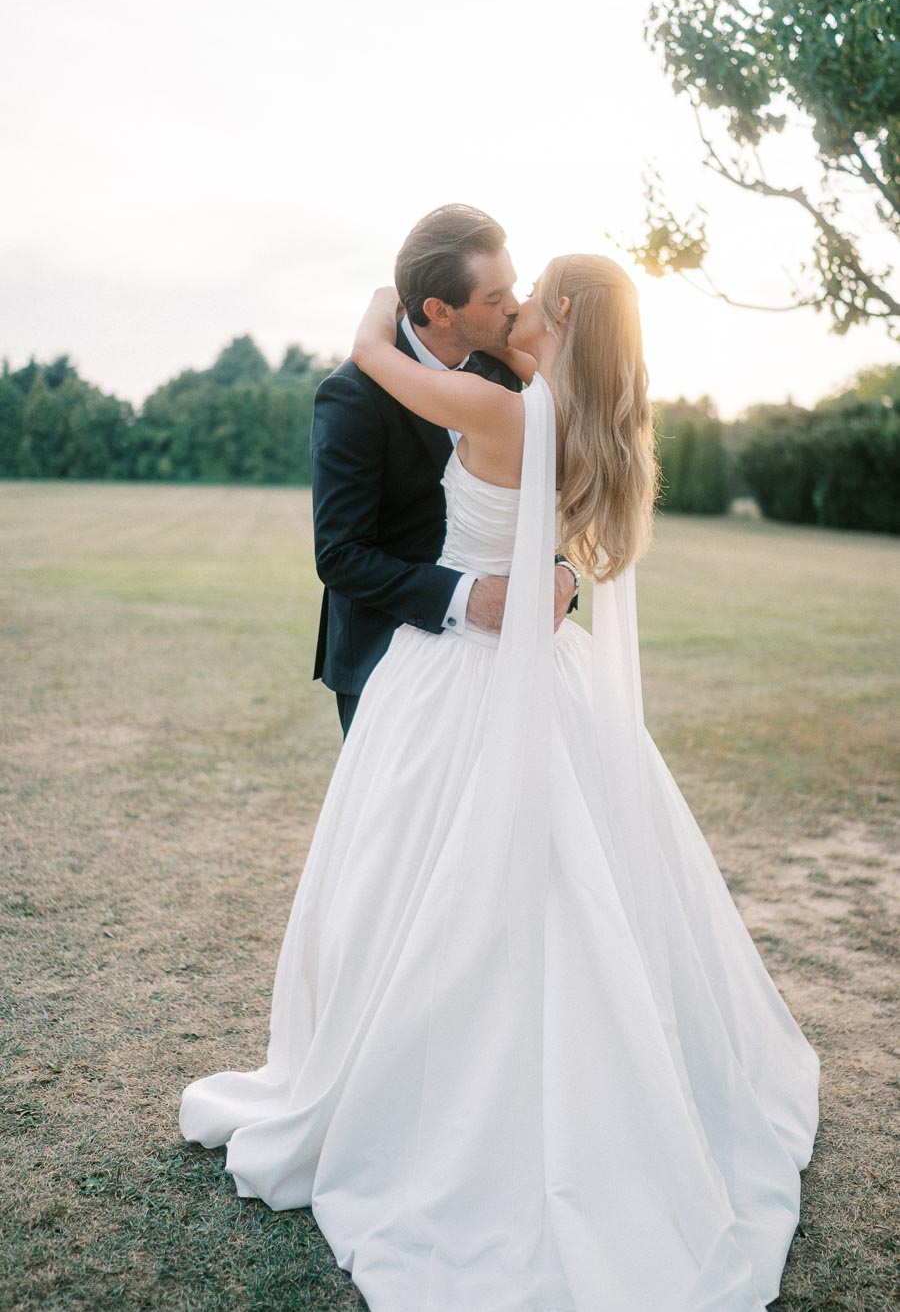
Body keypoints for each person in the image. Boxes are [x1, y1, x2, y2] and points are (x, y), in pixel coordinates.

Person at [180, 253, 820, 1312]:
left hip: (463, 678)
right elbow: (566, 556)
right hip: (535, 669)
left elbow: (367, 353)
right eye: (500, 291)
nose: (512, 306)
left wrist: (388, 300)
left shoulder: (500, 406)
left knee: (437, 880)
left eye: (528, 295)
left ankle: (445, 1109)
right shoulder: (588, 421)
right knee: (553, 883)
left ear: (556, 314)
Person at [310, 204, 577, 736]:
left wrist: (562, 575)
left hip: (507, 662)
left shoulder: (507, 374)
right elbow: (341, 556)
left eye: (514, 288)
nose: (515, 307)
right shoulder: (352, 396)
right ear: (440, 309)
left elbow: (539, 501)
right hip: (386, 663)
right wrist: (469, 599)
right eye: (494, 298)